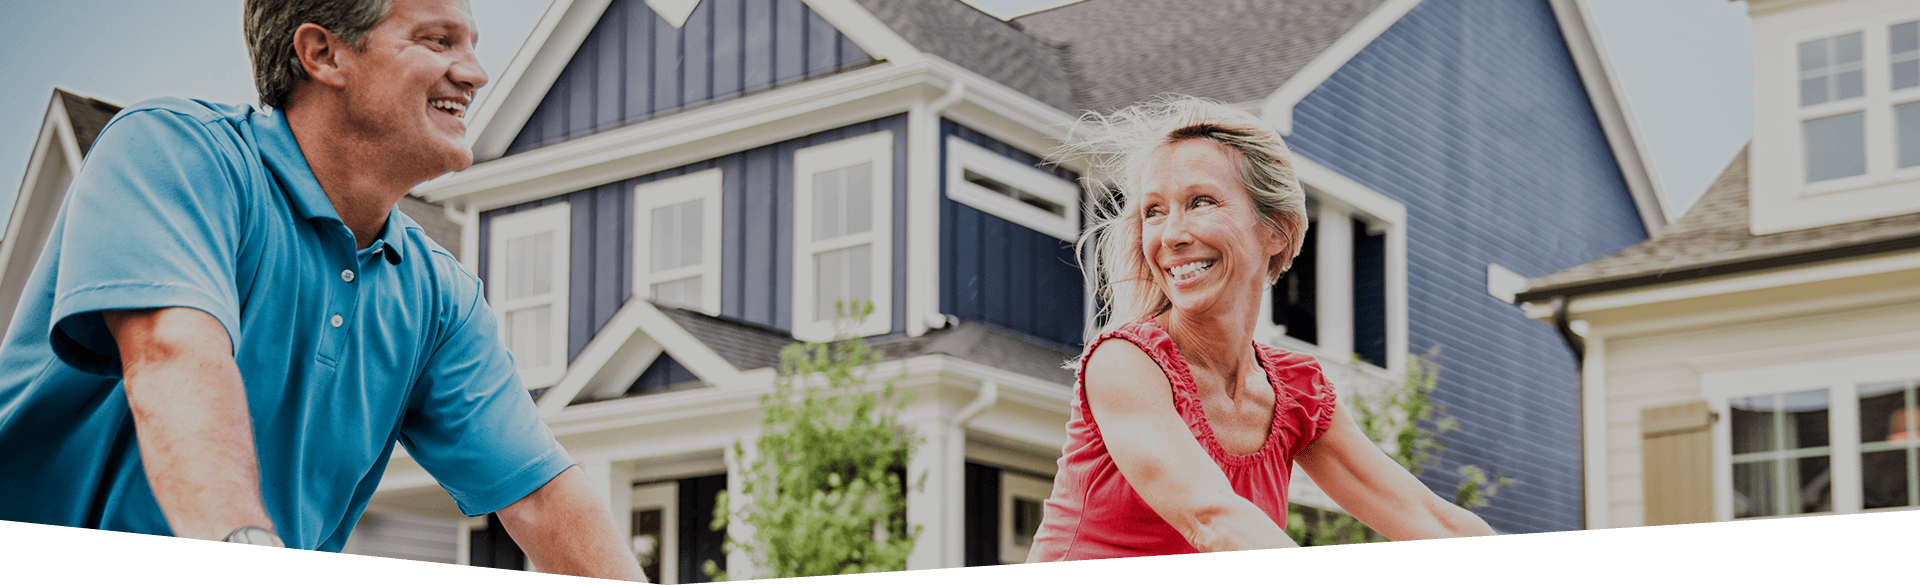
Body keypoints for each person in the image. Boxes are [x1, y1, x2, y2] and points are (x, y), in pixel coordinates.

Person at [0, 1, 644, 579]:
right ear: (323, 53)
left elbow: (541, 497)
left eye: (472, 45)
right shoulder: (177, 153)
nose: (474, 73)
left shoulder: (438, 297)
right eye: (438, 40)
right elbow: (174, 355)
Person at [1028, 96, 1496, 561]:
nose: (1171, 235)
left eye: (1201, 202)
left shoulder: (1297, 396)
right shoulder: (1126, 364)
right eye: (1154, 211)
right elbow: (1213, 519)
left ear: (1277, 230)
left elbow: (1430, 519)